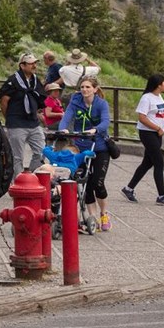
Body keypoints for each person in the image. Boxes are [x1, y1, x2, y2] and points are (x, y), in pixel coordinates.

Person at [58, 77, 112, 231]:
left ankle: (104, 213)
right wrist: (63, 129)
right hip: (80, 147)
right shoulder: (76, 101)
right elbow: (67, 116)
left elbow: (105, 121)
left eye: (88, 87)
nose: (84, 90)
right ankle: (91, 217)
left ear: (95, 89)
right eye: (82, 87)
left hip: (99, 147)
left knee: (97, 183)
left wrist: (95, 129)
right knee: (83, 181)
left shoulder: (101, 104)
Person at [124, 74, 164, 206]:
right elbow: (142, 117)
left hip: (158, 133)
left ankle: (128, 189)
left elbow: (158, 112)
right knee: (159, 162)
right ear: (158, 85)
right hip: (148, 133)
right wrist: (157, 128)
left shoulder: (158, 96)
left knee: (147, 163)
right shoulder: (146, 98)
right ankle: (161, 196)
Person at [0, 53, 47, 172]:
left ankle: (33, 176)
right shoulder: (13, 80)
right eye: (31, 63)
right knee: (16, 157)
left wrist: (37, 112)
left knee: (42, 152)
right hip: (16, 123)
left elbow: (39, 97)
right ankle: (17, 183)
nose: (34, 65)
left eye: (35, 63)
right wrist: (9, 118)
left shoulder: (35, 80)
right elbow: (4, 101)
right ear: (22, 66)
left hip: (33, 123)